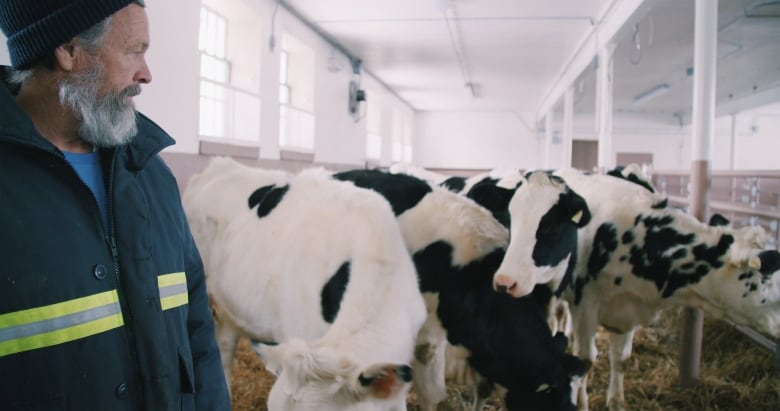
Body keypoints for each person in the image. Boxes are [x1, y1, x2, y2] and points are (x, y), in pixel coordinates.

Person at [0, 1, 231, 410]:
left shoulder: (150, 174)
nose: (146, 73)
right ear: (68, 51)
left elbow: (196, 327)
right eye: (133, 50)